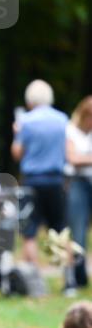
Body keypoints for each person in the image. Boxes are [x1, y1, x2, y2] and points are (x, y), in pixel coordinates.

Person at [11, 79, 74, 292]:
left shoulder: (26, 121)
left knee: (29, 232)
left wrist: (16, 132)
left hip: (32, 181)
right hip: (56, 180)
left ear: (30, 99)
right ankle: (69, 282)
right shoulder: (62, 119)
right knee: (60, 230)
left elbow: (17, 153)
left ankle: (36, 283)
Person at [64, 96, 92, 288]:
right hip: (77, 183)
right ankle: (77, 277)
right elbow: (73, 158)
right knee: (78, 231)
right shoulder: (70, 130)